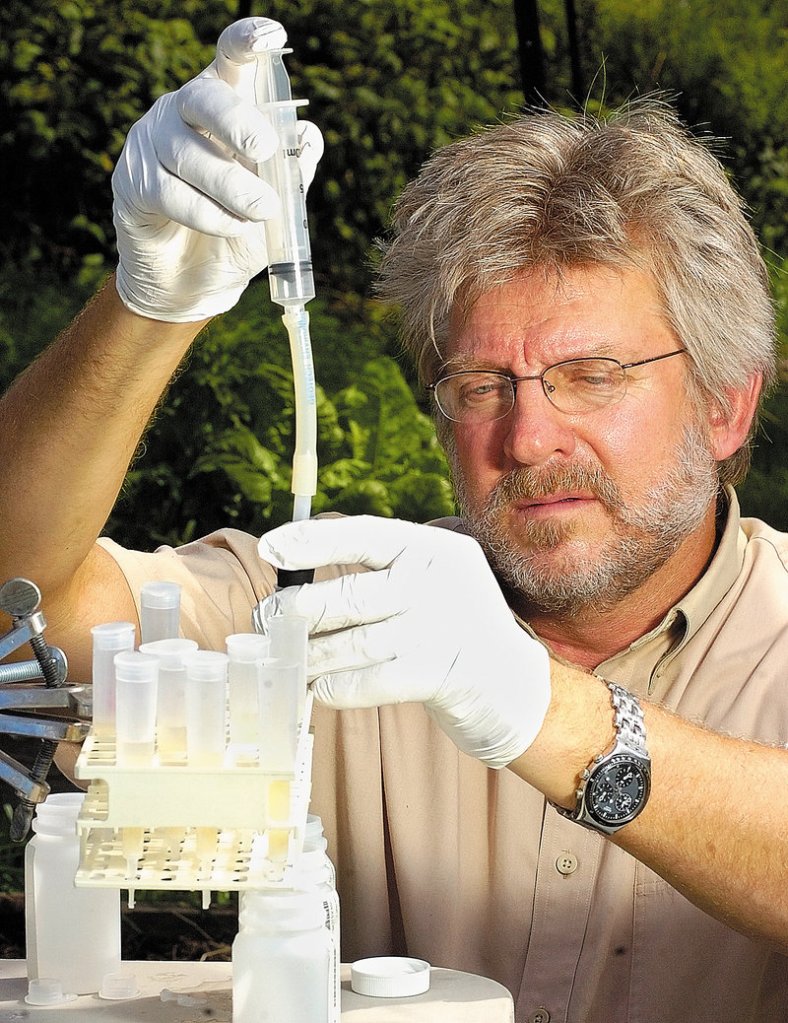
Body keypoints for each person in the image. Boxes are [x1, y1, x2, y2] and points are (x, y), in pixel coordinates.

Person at [0, 15, 785, 1022]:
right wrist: (149, 305)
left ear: (725, 403)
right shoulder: (336, 610)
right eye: (478, 382)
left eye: (591, 375)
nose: (527, 434)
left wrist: (543, 715)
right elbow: (22, 591)